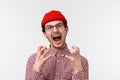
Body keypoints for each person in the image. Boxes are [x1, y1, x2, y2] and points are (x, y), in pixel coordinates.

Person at [25, 10, 89, 80]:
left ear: (66, 29)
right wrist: (36, 71)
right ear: (44, 33)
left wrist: (78, 72)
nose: (55, 30)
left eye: (59, 26)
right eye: (49, 27)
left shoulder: (81, 61)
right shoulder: (33, 60)